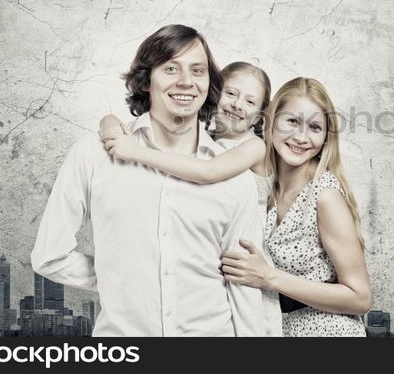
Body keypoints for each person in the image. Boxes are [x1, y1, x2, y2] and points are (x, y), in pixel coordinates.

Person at [30, 24, 265, 336]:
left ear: (210, 85)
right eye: (171, 68)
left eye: (198, 70)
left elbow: (243, 285)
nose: (186, 81)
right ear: (145, 81)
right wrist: (122, 279)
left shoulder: (235, 179)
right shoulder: (93, 155)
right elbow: (50, 256)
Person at [103, 76, 371, 336]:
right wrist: (110, 123)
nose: (301, 137)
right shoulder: (262, 179)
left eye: (314, 128)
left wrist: (269, 278)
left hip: (329, 332)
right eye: (291, 122)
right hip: (278, 329)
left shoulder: (324, 196)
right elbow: (200, 157)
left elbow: (360, 298)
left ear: (326, 137)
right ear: (270, 120)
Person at [99, 61, 283, 336]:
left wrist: (135, 151)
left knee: (249, 326)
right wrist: (109, 123)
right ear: (214, 93)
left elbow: (207, 172)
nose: (237, 105)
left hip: (242, 258)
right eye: (231, 94)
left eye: (250, 101)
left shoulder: (254, 147)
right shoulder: (195, 138)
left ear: (258, 117)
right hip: (204, 254)